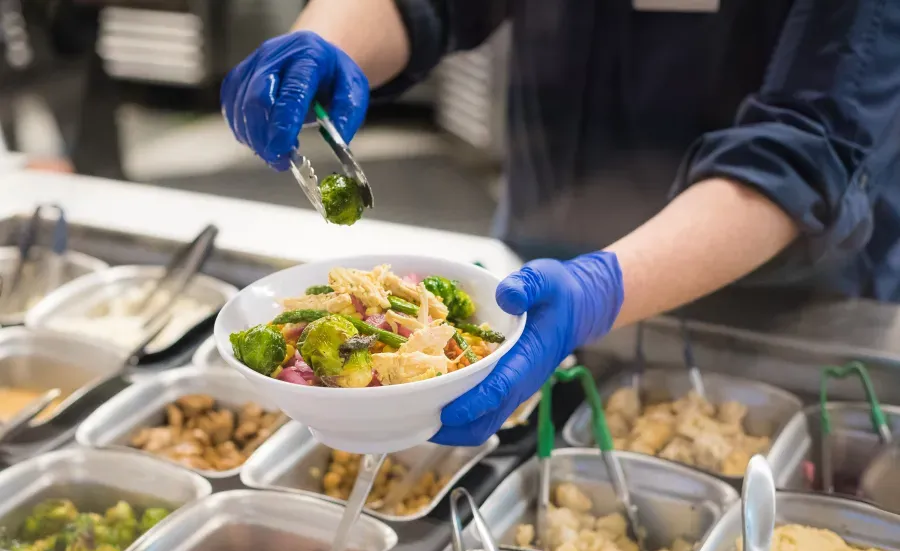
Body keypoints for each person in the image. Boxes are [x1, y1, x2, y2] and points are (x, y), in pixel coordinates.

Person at [221, 0, 900, 446]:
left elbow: (810, 143)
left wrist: (603, 287)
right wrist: (323, 40)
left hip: (773, 308)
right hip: (540, 257)